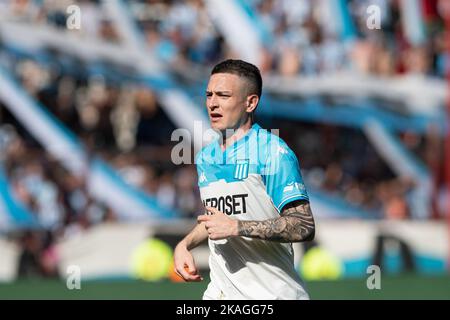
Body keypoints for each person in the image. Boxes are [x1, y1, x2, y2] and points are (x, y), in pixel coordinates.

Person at [173, 59, 315, 300]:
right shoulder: (207, 157)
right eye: (209, 95)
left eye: (224, 95)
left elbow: (303, 225)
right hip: (220, 294)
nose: (213, 104)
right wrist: (184, 245)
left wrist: (237, 227)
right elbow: (216, 219)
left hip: (272, 295)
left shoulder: (272, 152)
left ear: (250, 102)